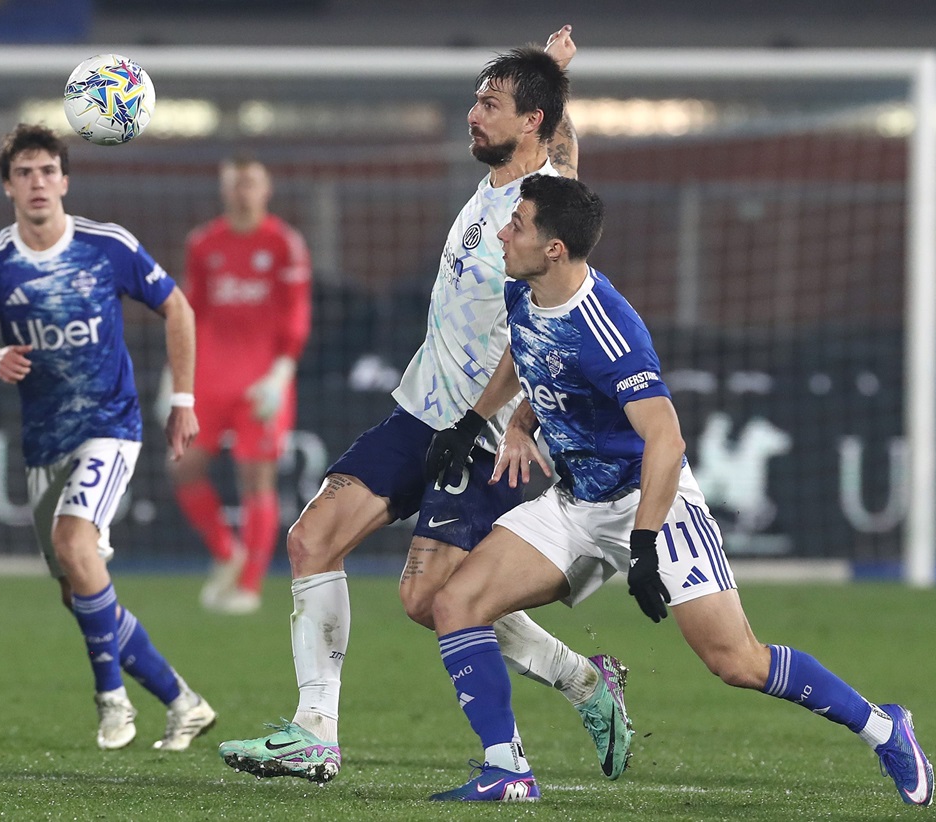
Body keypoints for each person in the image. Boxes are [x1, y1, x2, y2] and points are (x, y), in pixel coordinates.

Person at [424, 173, 935, 805]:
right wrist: (487, 419)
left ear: (554, 248)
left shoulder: (607, 327)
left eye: (519, 224)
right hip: (577, 501)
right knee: (455, 604)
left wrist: (642, 545)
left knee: (736, 662)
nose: (504, 232)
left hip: (654, 503)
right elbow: (525, 357)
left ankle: (884, 726)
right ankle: (508, 771)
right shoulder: (521, 290)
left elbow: (666, 440)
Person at [218, 26, 635, 785]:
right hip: (420, 413)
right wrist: (552, 74)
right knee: (312, 539)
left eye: (491, 104)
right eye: (476, 99)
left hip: (478, 437)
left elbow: (536, 338)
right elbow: (563, 138)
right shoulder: (504, 188)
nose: (473, 114)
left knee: (430, 600)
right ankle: (314, 731)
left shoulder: (543, 225)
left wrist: (485, 419)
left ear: (530, 121)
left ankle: (579, 682)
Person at [0, 123, 217, 752]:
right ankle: (184, 702)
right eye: (25, 172)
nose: (38, 182)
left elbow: (178, 308)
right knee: (79, 591)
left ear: (66, 181)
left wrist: (182, 399)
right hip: (45, 441)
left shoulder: (107, 246)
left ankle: (112, 703)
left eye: (48, 170)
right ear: (8, 187)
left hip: (111, 426)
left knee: (74, 543)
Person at [166, 156, 312, 614]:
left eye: (250, 183)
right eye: (234, 184)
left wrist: (282, 371)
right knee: (183, 467)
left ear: (265, 189)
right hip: (209, 377)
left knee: (256, 478)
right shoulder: (204, 243)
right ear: (224, 190)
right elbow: (194, 310)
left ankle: (249, 586)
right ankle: (228, 553)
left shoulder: (284, 244)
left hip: (262, 381)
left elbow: (296, 312)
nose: (242, 192)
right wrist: (178, 374)